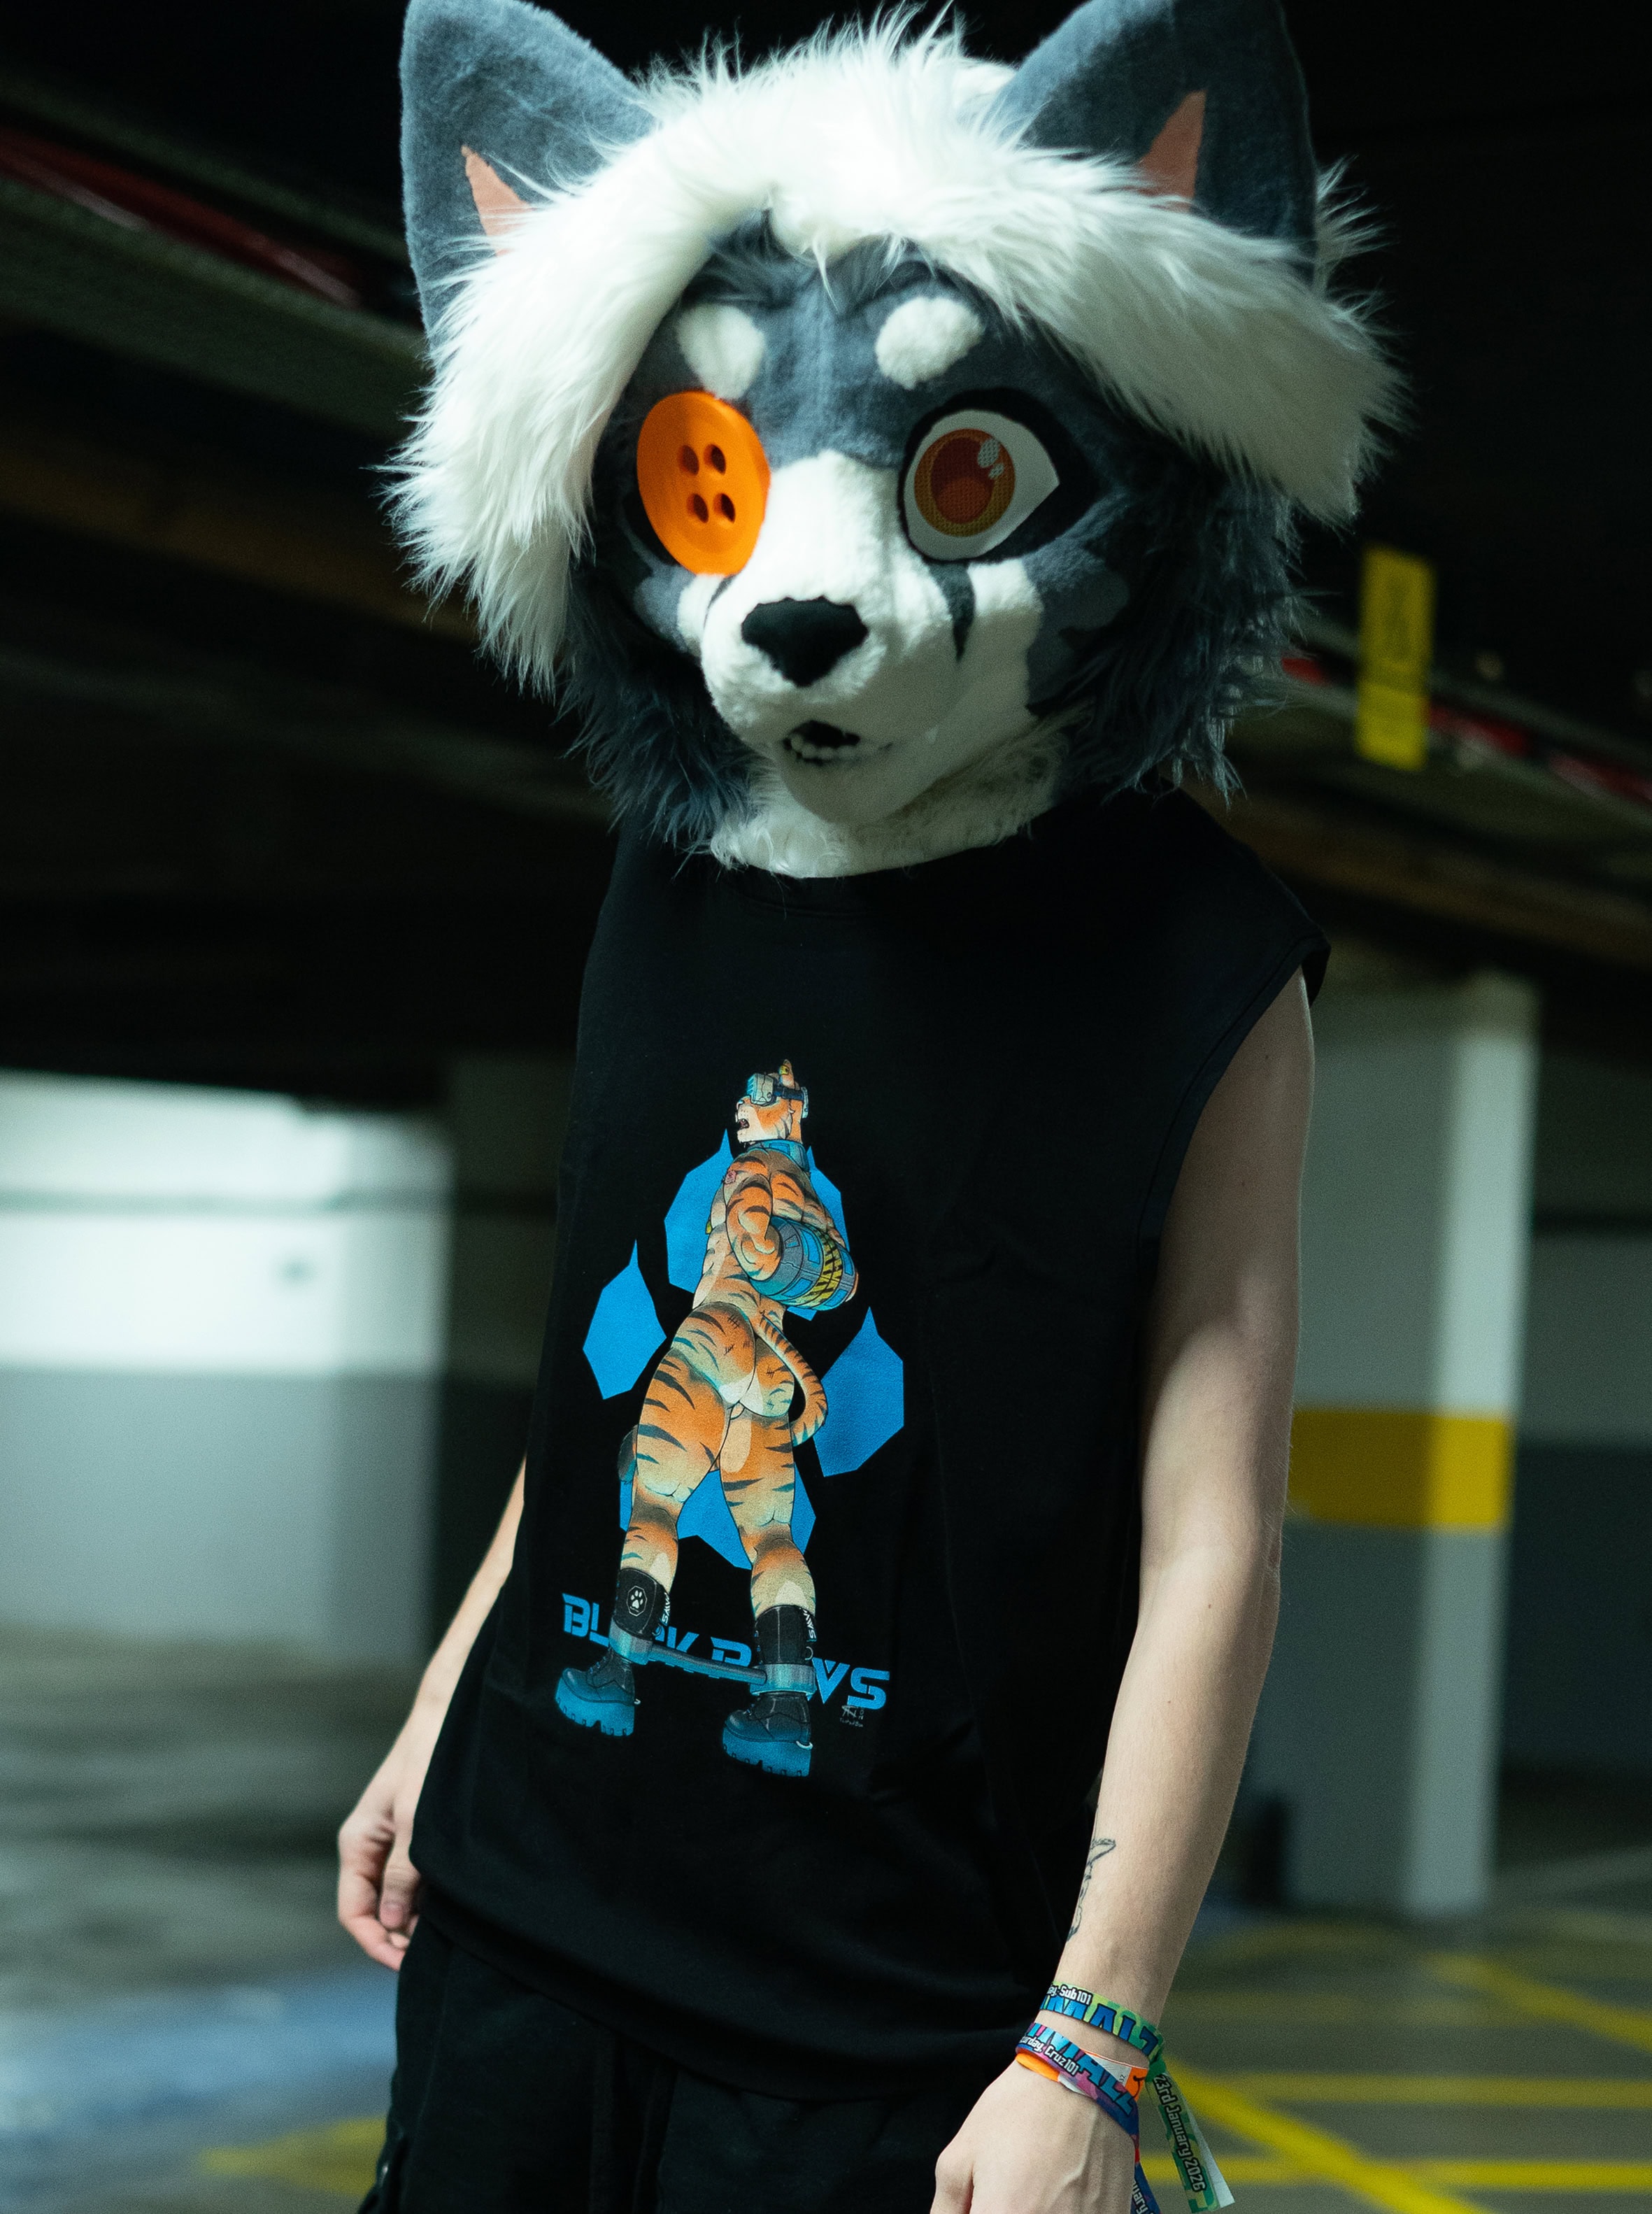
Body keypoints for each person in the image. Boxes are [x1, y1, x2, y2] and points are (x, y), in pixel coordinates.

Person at [338, 0, 1383, 2204]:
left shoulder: (1197, 962)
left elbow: (1215, 1538)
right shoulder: (668, 873)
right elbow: (595, 1364)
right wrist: (440, 1710)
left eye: (959, 473)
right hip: (523, 1917)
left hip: (890, 2009)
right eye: (706, 489)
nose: (794, 597)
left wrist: (1089, 2041)